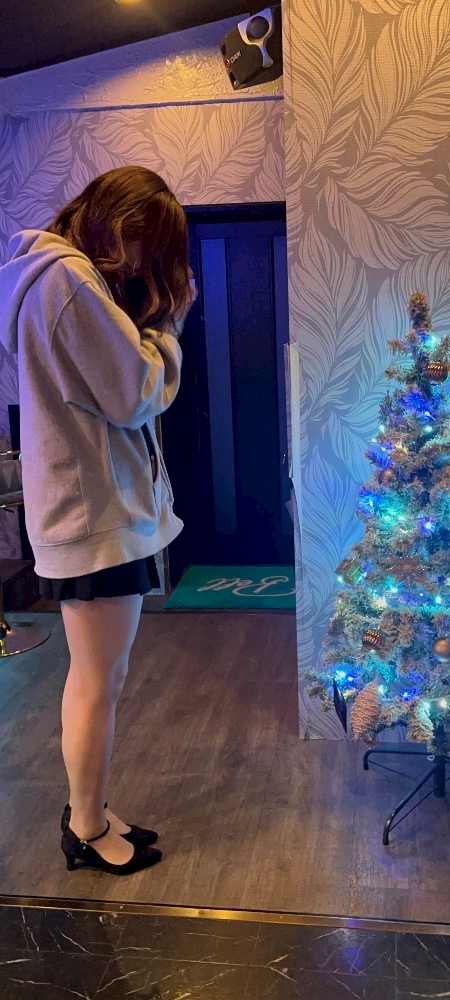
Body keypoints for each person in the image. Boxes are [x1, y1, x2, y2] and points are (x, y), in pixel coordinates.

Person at [0, 166, 195, 875]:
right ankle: (84, 827)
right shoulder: (68, 280)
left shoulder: (47, 275)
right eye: (145, 245)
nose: (142, 263)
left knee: (98, 677)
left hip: (88, 508)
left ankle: (92, 810)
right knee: (95, 681)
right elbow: (134, 393)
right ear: (121, 222)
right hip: (94, 515)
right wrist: (168, 326)